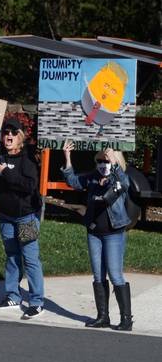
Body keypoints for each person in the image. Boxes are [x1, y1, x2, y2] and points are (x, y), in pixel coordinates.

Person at [62, 142, 133, 331]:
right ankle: (103, 316)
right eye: (100, 160)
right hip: (94, 232)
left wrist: (115, 165)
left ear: (114, 161)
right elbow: (73, 182)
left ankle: (126, 319)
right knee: (98, 275)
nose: (103, 163)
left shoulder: (118, 179)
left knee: (116, 275)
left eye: (106, 160)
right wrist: (68, 158)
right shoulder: (93, 178)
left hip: (114, 233)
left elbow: (125, 184)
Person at [0, 117, 45, 318]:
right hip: (5, 215)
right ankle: (13, 294)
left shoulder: (27, 158)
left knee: (30, 258)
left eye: (13, 133)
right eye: (6, 133)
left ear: (20, 136)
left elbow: (29, 186)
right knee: (12, 256)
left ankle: (37, 301)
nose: (9, 136)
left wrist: (6, 174)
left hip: (27, 217)